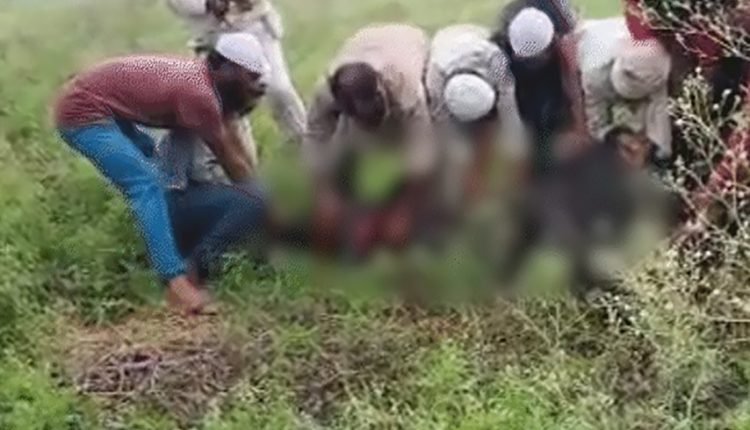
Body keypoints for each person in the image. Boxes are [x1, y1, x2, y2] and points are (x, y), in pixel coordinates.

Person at [54, 33, 269, 314]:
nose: (255, 86)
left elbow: (234, 145)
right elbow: (233, 163)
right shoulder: (199, 95)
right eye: (251, 77)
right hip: (83, 113)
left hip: (108, 109)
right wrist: (263, 201)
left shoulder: (203, 81)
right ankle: (176, 283)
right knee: (146, 185)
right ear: (227, 69)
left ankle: (170, 243)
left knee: (152, 163)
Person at [304, 23, 435, 258]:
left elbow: (421, 146)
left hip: (409, 40)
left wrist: (406, 208)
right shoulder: (326, 94)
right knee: (348, 152)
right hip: (364, 41)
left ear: (382, 91)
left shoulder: (406, 85)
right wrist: (323, 194)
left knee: (414, 156)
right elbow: (316, 136)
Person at [166, 0, 307, 182]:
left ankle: (306, 143)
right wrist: (208, 4)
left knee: (279, 88)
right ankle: (248, 171)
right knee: (231, 105)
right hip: (214, 34)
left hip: (255, 24)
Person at [424, 24, 527, 219]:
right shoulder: (434, 80)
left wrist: (518, 159)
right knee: (459, 154)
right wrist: (464, 172)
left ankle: (481, 166)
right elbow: (444, 130)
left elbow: (509, 111)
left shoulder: (496, 62)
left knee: (490, 131)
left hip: (474, 35)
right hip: (444, 43)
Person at [491, 0, 589, 177]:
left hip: (554, 67)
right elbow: (507, 101)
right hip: (520, 81)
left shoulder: (563, 28)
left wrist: (579, 129)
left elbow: (571, 77)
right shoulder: (500, 47)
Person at [577, 17, 672, 161]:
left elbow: (661, 117)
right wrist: (617, 136)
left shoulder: (657, 64)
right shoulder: (594, 76)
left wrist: (653, 147)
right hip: (589, 53)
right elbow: (595, 125)